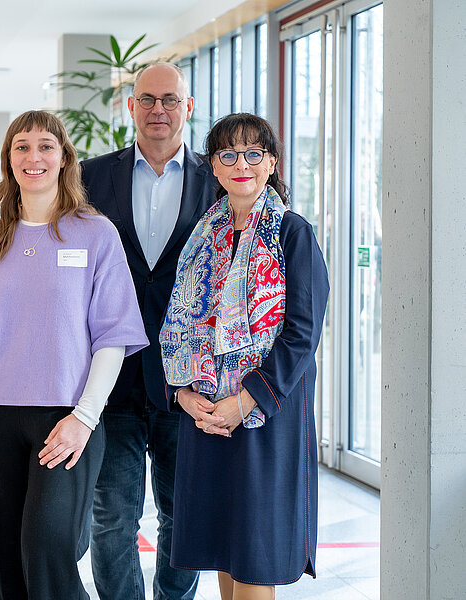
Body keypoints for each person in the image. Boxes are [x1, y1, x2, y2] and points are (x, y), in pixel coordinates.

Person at [0, 110, 148, 600]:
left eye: (45, 146)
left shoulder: (96, 234)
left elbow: (114, 337)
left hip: (66, 419)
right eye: (21, 146)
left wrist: (84, 417)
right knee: (5, 561)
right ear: (9, 160)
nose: (33, 156)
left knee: (47, 549)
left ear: (64, 158)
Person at [161, 113, 329, 600]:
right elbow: (183, 324)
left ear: (271, 163)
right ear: (212, 167)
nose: (241, 164)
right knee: (223, 546)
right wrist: (185, 393)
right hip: (208, 412)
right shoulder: (203, 238)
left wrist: (247, 399)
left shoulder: (292, 233)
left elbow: (301, 335)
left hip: (265, 415)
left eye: (254, 154)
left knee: (255, 556)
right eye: (228, 154)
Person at [80, 61, 213, 600]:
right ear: (130, 107)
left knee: (183, 515)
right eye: (148, 99)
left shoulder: (217, 180)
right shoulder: (89, 177)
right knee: (112, 516)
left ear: (186, 107)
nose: (159, 109)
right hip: (111, 376)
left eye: (170, 100)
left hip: (191, 383)